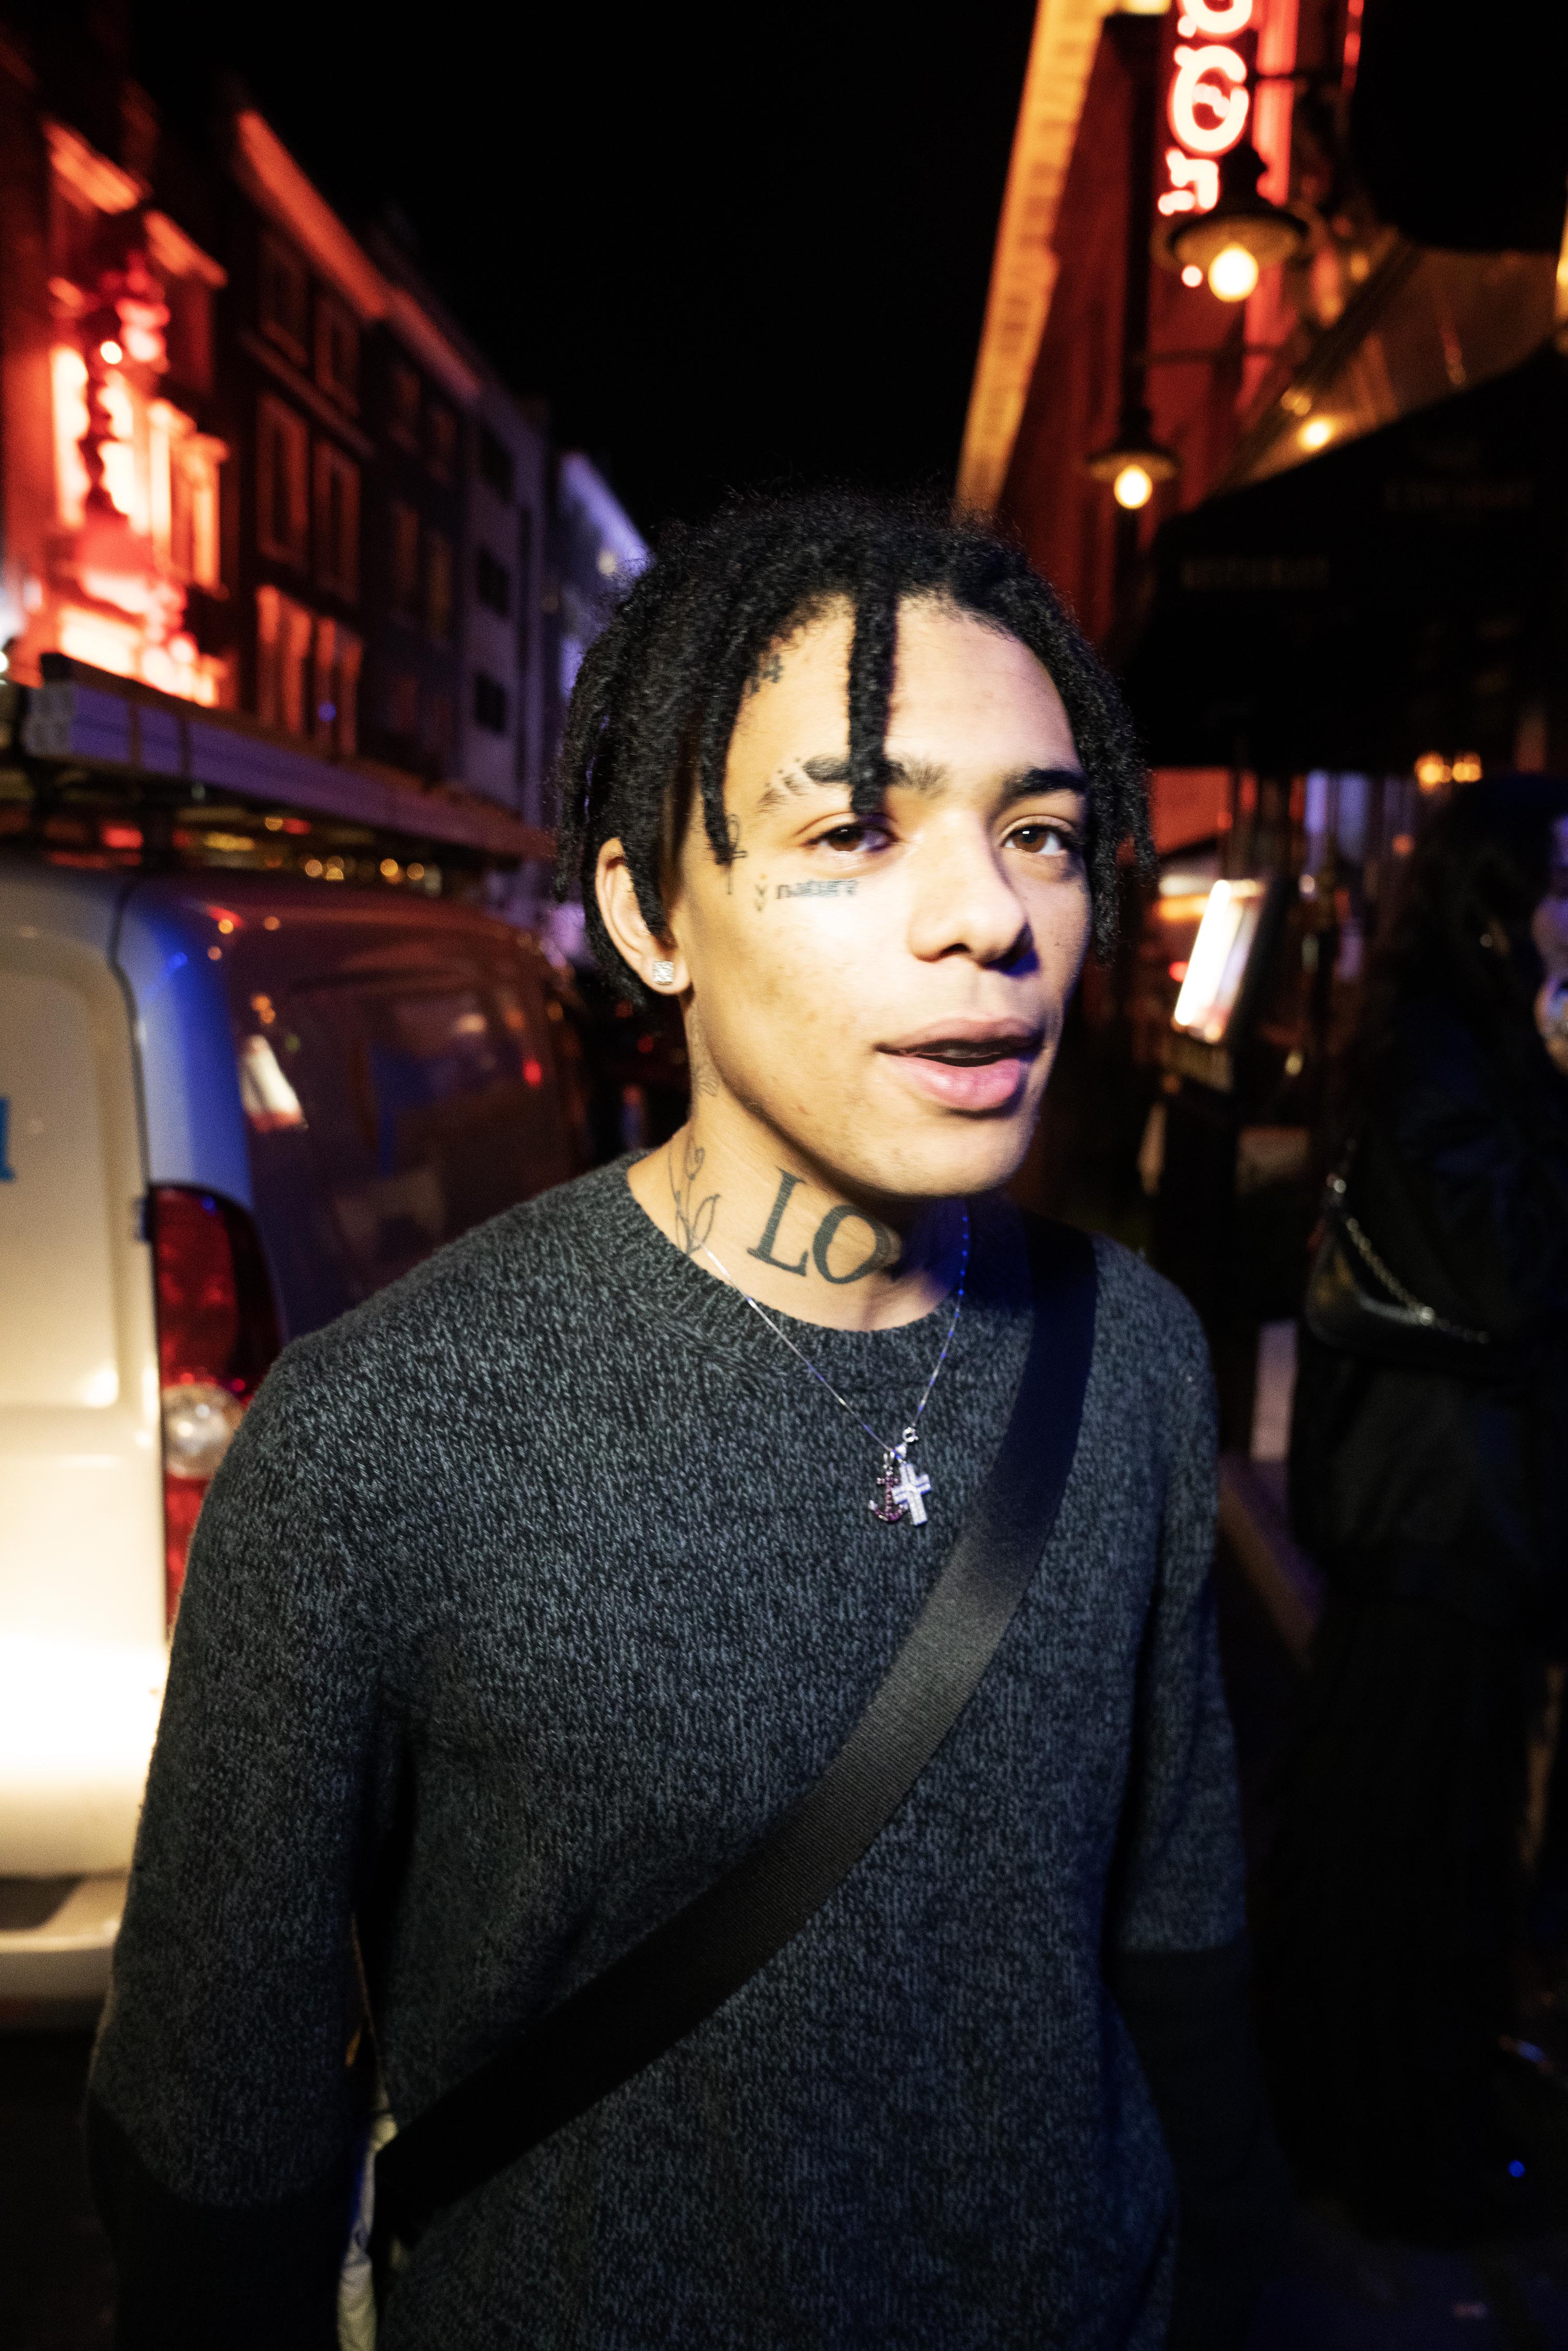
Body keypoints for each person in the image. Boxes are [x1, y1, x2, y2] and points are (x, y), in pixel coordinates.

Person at [88, 493, 1282, 2348]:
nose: (993, 918)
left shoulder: (1132, 1356)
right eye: (854, 829)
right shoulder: (375, 1440)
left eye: (1041, 831)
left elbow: (1179, 1949)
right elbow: (211, 2149)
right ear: (653, 910)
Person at [1264, 774, 1568, 2241]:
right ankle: (1386, 2145)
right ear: (1498, 903)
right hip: (1436, 1516)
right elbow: (1510, 1274)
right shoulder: (1447, 1057)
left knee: (1406, 1834)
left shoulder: (1465, 1046)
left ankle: (1377, 2121)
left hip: (1452, 1515)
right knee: (1409, 1844)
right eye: (1564, 880)